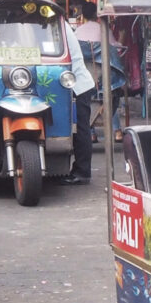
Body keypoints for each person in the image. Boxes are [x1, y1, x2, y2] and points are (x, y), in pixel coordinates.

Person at [60, 21, 96, 185]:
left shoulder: (57, 24)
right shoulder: (58, 23)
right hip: (72, 82)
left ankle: (82, 172)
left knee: (81, 129)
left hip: (78, 84)